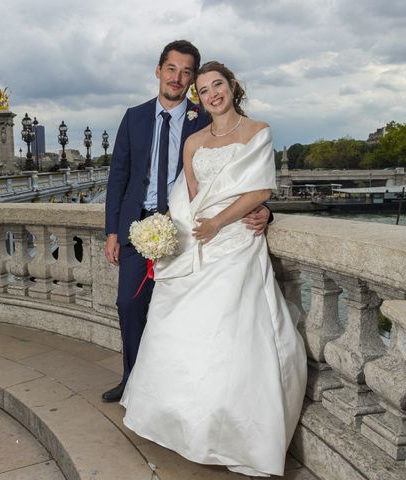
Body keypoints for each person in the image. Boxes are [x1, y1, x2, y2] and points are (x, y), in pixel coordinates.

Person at [120, 61, 307, 477]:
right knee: (182, 328)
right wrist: (169, 237)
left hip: (236, 241)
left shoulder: (259, 131)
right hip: (200, 239)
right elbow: (190, 198)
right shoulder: (194, 143)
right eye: (202, 90)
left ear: (232, 85)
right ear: (198, 98)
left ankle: (233, 435)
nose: (211, 94)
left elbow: (260, 189)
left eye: (216, 85)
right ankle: (182, 425)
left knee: (232, 333)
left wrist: (226, 221)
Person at [103, 41, 271, 403]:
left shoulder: (208, 116)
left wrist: (267, 210)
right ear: (158, 71)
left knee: (177, 312)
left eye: (186, 72)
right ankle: (133, 378)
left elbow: (239, 173)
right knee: (129, 305)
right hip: (138, 227)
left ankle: (175, 390)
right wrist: (113, 231)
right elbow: (118, 176)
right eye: (171, 69)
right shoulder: (133, 117)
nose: (177, 78)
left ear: (193, 79)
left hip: (186, 228)